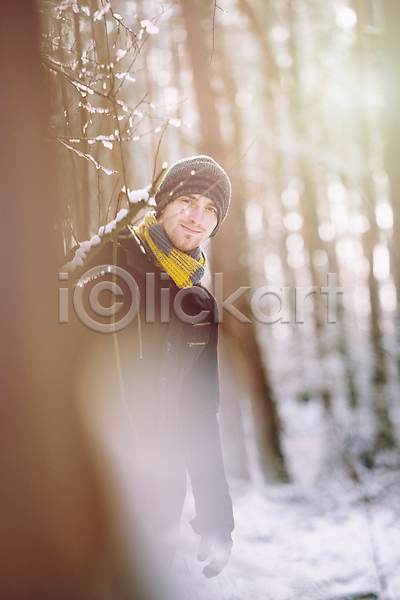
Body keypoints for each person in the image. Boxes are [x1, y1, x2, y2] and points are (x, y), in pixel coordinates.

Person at [74, 155, 234, 578]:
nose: (198, 217)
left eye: (211, 210)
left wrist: (216, 517)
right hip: (85, 495)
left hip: (162, 502)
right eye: (188, 201)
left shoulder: (200, 306)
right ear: (161, 205)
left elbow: (200, 414)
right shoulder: (108, 264)